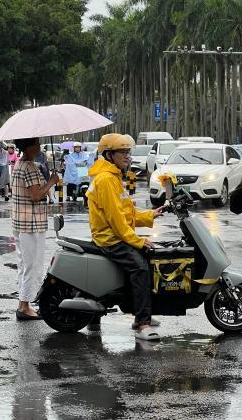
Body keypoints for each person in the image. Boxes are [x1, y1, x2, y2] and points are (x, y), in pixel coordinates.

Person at [86, 133, 163, 341]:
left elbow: (125, 211)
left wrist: (150, 215)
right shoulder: (106, 180)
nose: (127, 156)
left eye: (128, 152)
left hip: (115, 235)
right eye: (122, 152)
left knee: (146, 260)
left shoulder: (113, 176)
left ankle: (142, 311)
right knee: (139, 267)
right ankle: (142, 324)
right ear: (109, 154)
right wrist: (137, 241)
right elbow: (116, 220)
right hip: (110, 239)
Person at [11, 137, 60, 320]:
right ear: (29, 147)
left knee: (25, 264)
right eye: (36, 144)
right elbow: (36, 195)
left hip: (21, 221)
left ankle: (23, 303)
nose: (39, 147)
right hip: (31, 224)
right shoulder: (30, 167)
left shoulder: (20, 164)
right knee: (33, 265)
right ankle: (24, 306)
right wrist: (52, 181)